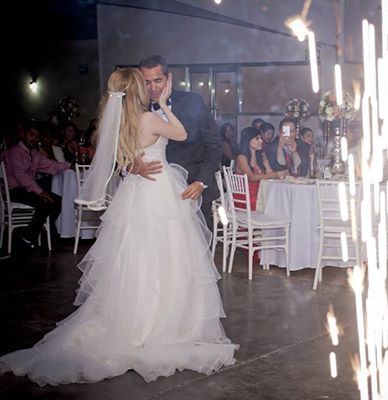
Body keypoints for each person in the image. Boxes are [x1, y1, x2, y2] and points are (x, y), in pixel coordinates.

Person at [0, 68, 237, 385]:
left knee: (134, 257)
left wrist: (132, 164)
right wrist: (165, 104)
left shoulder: (120, 122)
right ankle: (161, 324)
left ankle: (131, 316)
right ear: (138, 89)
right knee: (165, 257)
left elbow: (114, 155)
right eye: (145, 84)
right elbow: (180, 134)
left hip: (135, 194)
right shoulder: (149, 118)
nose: (151, 88)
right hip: (158, 192)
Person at [133, 55, 222, 227]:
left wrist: (201, 182)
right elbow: (118, 150)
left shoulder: (193, 101)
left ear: (169, 78)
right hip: (151, 193)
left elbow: (214, 146)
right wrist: (133, 166)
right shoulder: (135, 107)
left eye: (158, 80)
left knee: (194, 249)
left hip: (192, 189)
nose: (152, 88)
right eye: (146, 82)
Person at [1, 120, 71, 249]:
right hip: (15, 190)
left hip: (28, 190)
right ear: (23, 134)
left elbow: (51, 166)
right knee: (46, 202)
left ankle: (33, 234)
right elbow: (21, 177)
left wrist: (69, 165)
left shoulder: (34, 153)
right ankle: (29, 237)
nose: (34, 139)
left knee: (58, 201)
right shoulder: (14, 152)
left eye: (36, 136)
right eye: (31, 135)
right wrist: (40, 192)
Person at [235, 127, 287, 210]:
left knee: (280, 199)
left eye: (260, 138)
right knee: (276, 202)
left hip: (260, 192)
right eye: (257, 139)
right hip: (247, 196)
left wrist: (278, 174)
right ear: (248, 140)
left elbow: (270, 172)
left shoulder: (261, 156)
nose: (261, 141)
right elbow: (251, 177)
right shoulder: (241, 157)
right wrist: (274, 175)